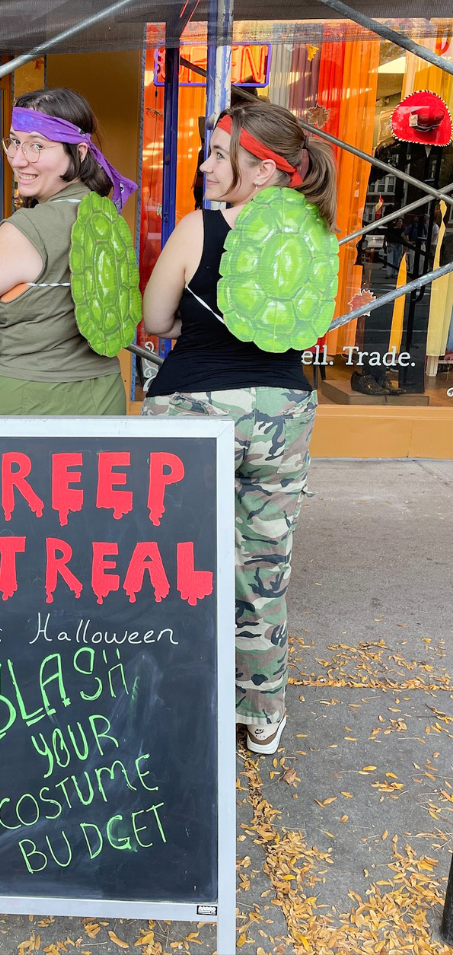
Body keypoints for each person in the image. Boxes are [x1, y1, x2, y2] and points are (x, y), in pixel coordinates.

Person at [141, 100, 337, 755]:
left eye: (219, 154)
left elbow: (156, 318)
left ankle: (176, 699)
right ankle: (263, 712)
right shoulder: (314, 235)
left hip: (193, 410)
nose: (204, 163)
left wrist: (192, 329)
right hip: (282, 411)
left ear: (261, 171)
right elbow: (304, 329)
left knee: (178, 565)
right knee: (265, 567)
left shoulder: (198, 229)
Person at [0, 87, 137, 415]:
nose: (18, 158)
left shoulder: (26, 229)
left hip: (30, 401)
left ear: (79, 152)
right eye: (14, 141)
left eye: (37, 145)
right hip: (104, 397)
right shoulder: (108, 217)